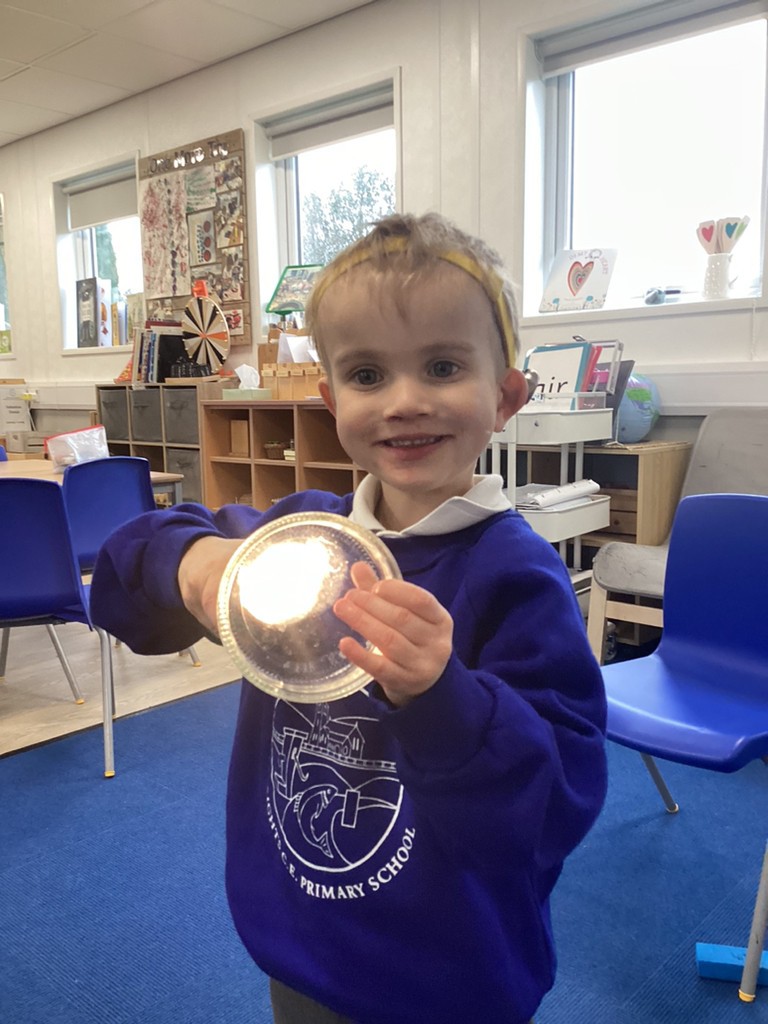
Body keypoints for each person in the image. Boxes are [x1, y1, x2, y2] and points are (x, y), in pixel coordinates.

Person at [91, 212, 607, 1024]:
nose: (405, 402)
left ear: (506, 396)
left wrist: (441, 696)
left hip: (446, 973)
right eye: (368, 375)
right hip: (302, 944)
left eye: (442, 366)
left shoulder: (518, 577)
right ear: (331, 400)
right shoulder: (299, 535)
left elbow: (556, 806)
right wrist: (193, 563)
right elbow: (125, 579)